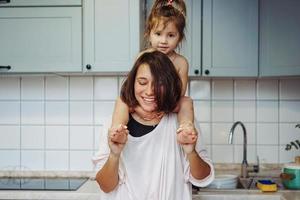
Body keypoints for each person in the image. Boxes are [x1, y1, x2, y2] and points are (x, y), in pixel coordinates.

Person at [93, 51, 214, 200]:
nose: (150, 91)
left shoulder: (183, 123)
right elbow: (106, 186)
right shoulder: (115, 124)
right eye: (142, 82)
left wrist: (191, 152)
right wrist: (114, 154)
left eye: (159, 84)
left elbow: (202, 178)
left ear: (169, 85)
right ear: (132, 83)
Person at [110, 0, 195, 144]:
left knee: (186, 101)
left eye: (170, 35)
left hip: (167, 103)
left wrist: (163, 107)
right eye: (158, 33)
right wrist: (139, 108)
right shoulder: (142, 57)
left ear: (179, 38)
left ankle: (186, 127)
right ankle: (118, 128)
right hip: (143, 103)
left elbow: (180, 93)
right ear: (149, 34)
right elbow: (132, 88)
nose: (163, 40)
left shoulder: (181, 62)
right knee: (121, 101)